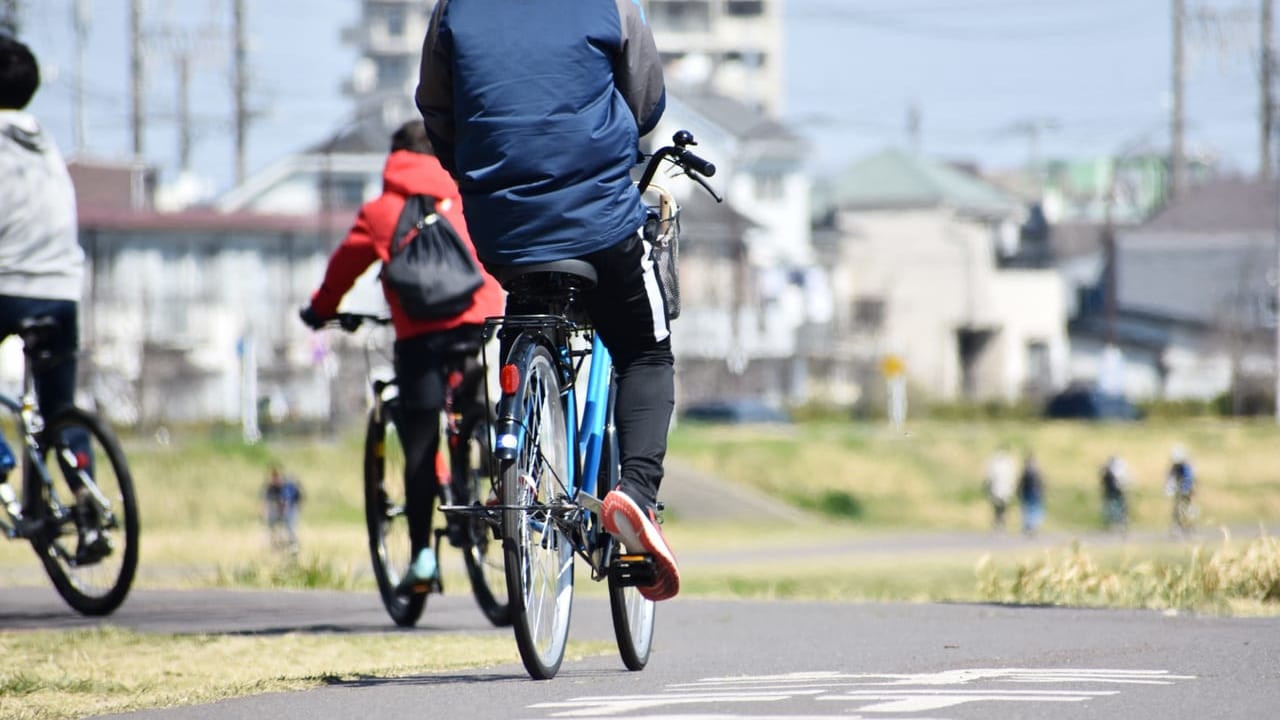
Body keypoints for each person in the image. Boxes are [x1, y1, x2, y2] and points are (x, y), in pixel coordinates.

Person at [416, 1, 679, 601]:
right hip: (599, 217)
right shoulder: (609, 4)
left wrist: (479, 172)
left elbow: (436, 106)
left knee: (529, 301)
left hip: (499, 220)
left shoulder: (453, 8)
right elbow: (645, 101)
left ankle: (521, 466)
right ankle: (636, 494)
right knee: (645, 349)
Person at [299, 120, 504, 592]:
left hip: (420, 335)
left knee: (419, 441)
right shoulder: (469, 194)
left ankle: (423, 558)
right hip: (480, 320)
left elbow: (342, 271)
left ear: (394, 159)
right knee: (478, 405)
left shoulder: (381, 211)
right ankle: (498, 467)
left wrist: (320, 310)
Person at [0, 36, 105, 563]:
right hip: (63, 290)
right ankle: (86, 496)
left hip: (8, 285)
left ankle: (0, 461)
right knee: (57, 408)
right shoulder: (46, 147)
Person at [263, 465, 303, 553]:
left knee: (290, 528)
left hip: (290, 509)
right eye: (273, 477)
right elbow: (267, 502)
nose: (275, 479)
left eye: (277, 477)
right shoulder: (271, 488)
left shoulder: (288, 486)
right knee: (273, 527)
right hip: (279, 510)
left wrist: (294, 508)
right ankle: (276, 547)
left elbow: (292, 500)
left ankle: (294, 547)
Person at [983, 446, 1017, 531]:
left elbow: (990, 476)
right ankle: (999, 521)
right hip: (1000, 489)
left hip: (1000, 489)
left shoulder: (998, 463)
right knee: (999, 506)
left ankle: (999, 521)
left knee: (1000, 507)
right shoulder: (1006, 463)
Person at [1165, 444, 1196, 535]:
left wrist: (1187, 490)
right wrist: (1169, 489)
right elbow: (1170, 479)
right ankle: (1177, 526)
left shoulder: (1187, 467)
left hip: (1186, 490)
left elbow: (1190, 479)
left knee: (1186, 508)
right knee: (1177, 509)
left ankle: (1188, 526)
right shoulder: (1174, 467)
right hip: (1178, 490)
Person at [1017, 452, 1045, 537]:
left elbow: (1021, 484)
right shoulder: (1037, 471)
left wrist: (1019, 492)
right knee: (1033, 510)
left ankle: (1030, 526)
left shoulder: (1026, 471)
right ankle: (1033, 526)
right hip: (1035, 494)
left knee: (1029, 510)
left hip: (1029, 494)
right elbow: (1041, 484)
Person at [1100, 455, 1130, 532]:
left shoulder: (1110, 472)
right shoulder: (1110, 473)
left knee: (1116, 509)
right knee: (1114, 509)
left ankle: (1119, 523)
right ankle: (1117, 523)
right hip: (1113, 493)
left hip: (1114, 493)